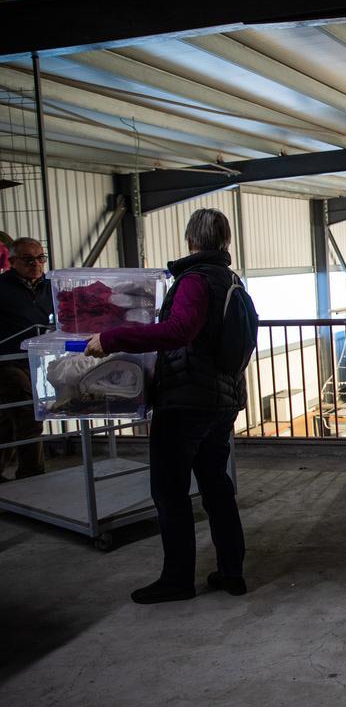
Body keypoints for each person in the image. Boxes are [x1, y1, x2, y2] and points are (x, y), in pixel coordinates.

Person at [86, 208, 248, 605]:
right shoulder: (230, 279)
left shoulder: (194, 280)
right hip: (220, 400)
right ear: (224, 241)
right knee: (216, 486)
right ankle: (231, 572)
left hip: (187, 402)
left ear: (191, 240)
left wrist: (113, 338)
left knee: (170, 491)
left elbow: (180, 330)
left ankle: (177, 580)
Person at [0, 237, 53, 481]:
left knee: (8, 421)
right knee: (28, 413)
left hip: (38, 360)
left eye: (40, 258)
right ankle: (33, 475)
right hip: (7, 361)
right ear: (12, 262)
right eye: (28, 259)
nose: (36, 264)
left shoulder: (50, 287)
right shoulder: (2, 287)